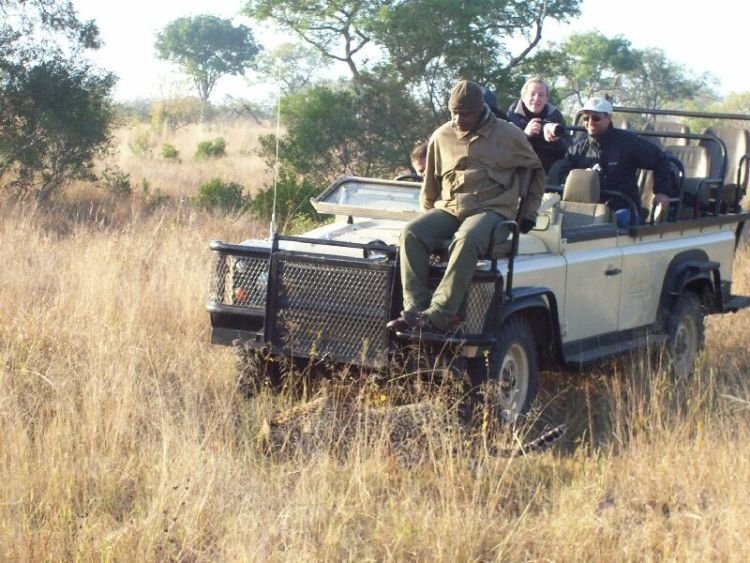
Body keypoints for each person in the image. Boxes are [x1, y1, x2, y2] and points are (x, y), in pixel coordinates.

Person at [388, 79, 545, 334]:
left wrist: (529, 213)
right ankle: (415, 311)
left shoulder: (508, 134)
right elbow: (430, 182)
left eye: (465, 113)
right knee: (411, 234)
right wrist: (428, 217)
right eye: (454, 113)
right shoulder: (442, 136)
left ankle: (438, 315)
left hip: (492, 209)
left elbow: (536, 171)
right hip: (451, 207)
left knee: (466, 238)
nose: (459, 119)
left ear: (481, 109)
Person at [557, 97, 674, 223]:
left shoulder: (628, 142)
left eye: (596, 118)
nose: (590, 122)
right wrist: (581, 176)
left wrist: (662, 192)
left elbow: (661, 159)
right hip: (587, 207)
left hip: (622, 206)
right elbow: (562, 173)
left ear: (608, 118)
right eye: (586, 118)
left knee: (615, 221)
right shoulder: (579, 148)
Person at [507, 77, 571, 173]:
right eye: (532, 94)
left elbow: (570, 149)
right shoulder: (511, 117)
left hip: (549, 169)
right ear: (523, 97)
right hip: (518, 169)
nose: (536, 99)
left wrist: (557, 139)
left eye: (541, 95)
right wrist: (525, 135)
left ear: (546, 99)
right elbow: (504, 149)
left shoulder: (555, 116)